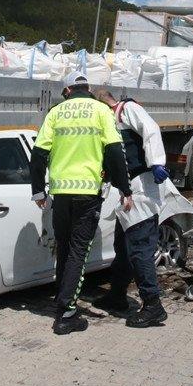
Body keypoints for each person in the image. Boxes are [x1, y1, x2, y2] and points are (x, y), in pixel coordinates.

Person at [29, 72, 132, 335]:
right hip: (87, 194)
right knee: (78, 251)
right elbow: (114, 153)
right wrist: (125, 189)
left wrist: (38, 191)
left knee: (64, 248)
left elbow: (38, 155)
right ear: (88, 89)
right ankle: (67, 313)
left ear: (67, 91)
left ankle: (61, 299)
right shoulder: (101, 111)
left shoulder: (56, 113)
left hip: (61, 193)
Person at [92, 89, 170, 328]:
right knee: (123, 247)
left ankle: (153, 306)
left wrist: (157, 163)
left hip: (143, 191)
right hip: (128, 194)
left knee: (139, 250)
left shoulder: (128, 109)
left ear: (103, 104)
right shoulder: (113, 121)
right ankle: (117, 295)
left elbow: (151, 130)